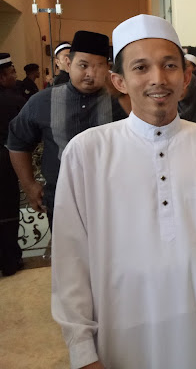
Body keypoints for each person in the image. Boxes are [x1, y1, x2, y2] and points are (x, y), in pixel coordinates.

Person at [51, 14, 196, 369]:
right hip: (119, 332)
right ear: (119, 80)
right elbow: (71, 259)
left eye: (169, 65)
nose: (158, 78)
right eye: (141, 67)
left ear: (186, 77)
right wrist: (81, 348)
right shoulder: (87, 153)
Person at [7, 31, 127, 229]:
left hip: (113, 202)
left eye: (98, 66)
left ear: (108, 68)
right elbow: (17, 141)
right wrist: (29, 185)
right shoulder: (42, 101)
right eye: (83, 65)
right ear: (69, 64)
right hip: (61, 201)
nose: (90, 74)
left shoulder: (121, 102)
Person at [0, 53, 26, 276]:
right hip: (5, 162)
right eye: (11, 73)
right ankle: (10, 261)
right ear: (1, 77)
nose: (15, 76)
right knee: (8, 211)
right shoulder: (13, 101)